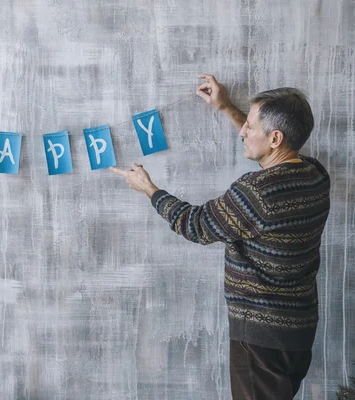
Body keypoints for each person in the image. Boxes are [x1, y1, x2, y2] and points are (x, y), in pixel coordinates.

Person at [111, 74, 331, 399]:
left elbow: (195, 224)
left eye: (250, 128)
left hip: (260, 339)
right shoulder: (314, 174)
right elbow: (270, 151)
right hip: (297, 330)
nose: (243, 132)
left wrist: (149, 189)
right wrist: (227, 107)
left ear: (274, 138)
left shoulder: (255, 193)